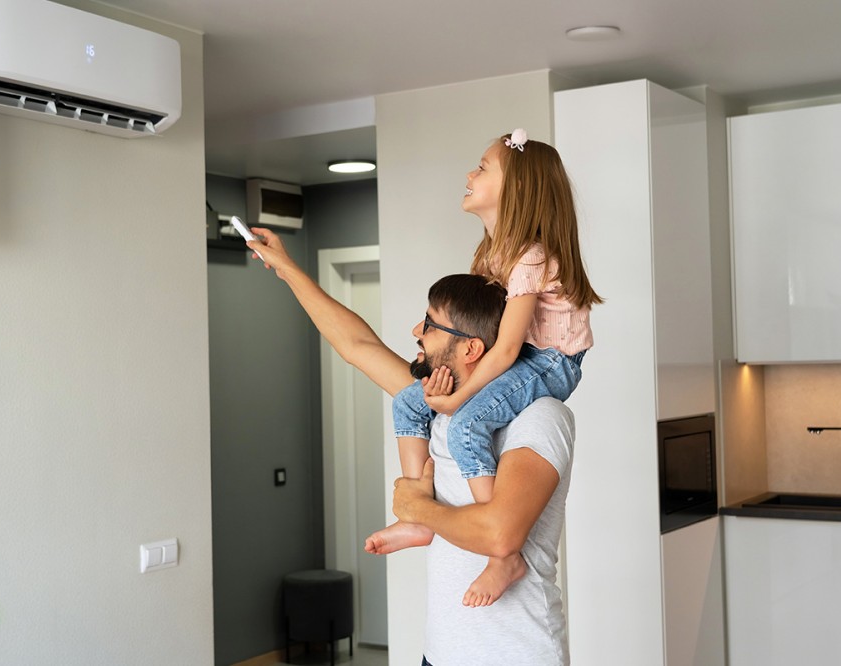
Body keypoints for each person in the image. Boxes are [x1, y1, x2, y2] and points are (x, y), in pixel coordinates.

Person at [245, 228, 575, 666]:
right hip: (440, 654)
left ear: (471, 349)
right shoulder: (440, 403)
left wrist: (417, 509)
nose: (417, 331)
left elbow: (499, 534)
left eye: (431, 324)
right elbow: (357, 345)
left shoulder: (540, 416)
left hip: (515, 655)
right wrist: (286, 267)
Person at [376, 128, 602, 607]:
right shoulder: (490, 254)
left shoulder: (530, 258)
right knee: (408, 404)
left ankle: (505, 555)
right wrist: (433, 343)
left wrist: (458, 399)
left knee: (466, 424)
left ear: (515, 187)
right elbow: (478, 330)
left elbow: (504, 350)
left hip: (550, 361)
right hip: (518, 355)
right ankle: (418, 513)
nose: (469, 173)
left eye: (482, 167)